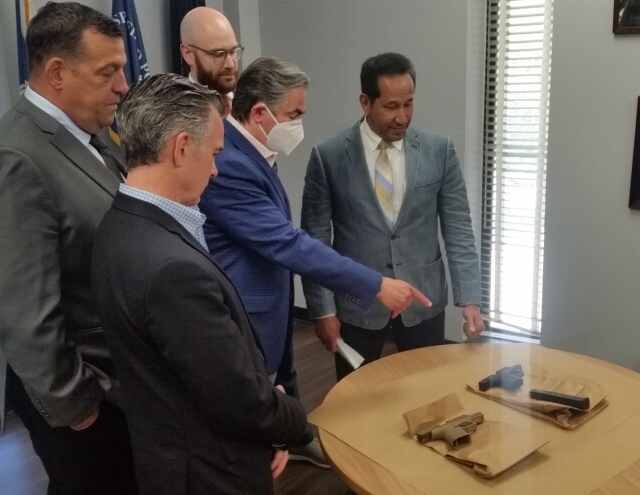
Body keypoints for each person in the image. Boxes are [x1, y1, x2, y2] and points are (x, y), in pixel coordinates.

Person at [200, 57, 429, 468]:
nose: (299, 125)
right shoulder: (230, 164)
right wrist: (374, 283)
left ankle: (291, 439)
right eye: (294, 115)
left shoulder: (256, 152)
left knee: (281, 399)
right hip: (244, 318)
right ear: (259, 113)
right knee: (249, 446)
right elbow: (292, 242)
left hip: (270, 309)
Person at [91, 73, 308, 494]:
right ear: (182, 148)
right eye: (212, 154)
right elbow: (238, 403)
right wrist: (290, 417)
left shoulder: (115, 227)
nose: (214, 170)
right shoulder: (173, 270)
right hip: (212, 473)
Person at [0, 3, 136, 493]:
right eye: (108, 72)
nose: (123, 85)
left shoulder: (92, 137)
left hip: (119, 378)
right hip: (81, 393)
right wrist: (76, 408)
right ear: (57, 72)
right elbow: (22, 313)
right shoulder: (12, 159)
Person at [301, 52, 483, 381]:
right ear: (365, 102)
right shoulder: (328, 157)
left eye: (409, 104)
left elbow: (458, 228)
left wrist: (470, 298)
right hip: (357, 300)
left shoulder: (438, 150)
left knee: (428, 396)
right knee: (357, 403)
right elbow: (315, 239)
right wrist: (322, 310)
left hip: (423, 298)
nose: (402, 117)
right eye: (391, 107)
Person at [180, 7, 242, 113]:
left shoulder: (253, 105)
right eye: (219, 54)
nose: (230, 64)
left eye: (233, 52)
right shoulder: (176, 116)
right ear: (188, 54)